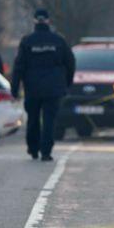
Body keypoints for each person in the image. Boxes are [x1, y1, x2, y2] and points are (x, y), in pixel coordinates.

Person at [11, 9, 75, 161]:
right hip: (53, 88)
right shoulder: (59, 40)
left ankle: (33, 149)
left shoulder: (27, 41)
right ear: (48, 21)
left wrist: (14, 88)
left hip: (32, 88)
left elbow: (19, 66)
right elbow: (70, 63)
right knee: (49, 120)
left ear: (34, 21)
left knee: (33, 119)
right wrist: (67, 84)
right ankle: (46, 152)